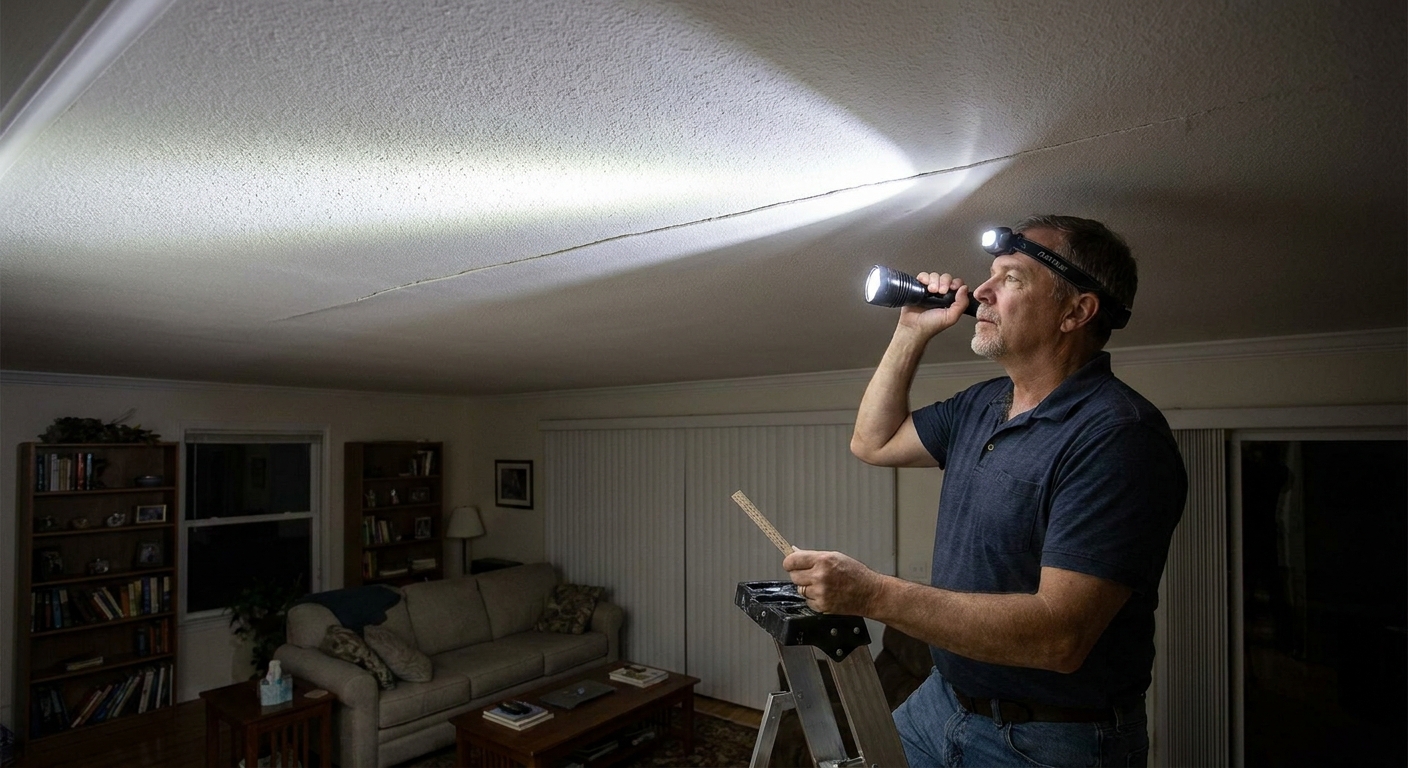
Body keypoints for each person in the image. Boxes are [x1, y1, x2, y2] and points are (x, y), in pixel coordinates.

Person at [784, 215, 1186, 767]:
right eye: (990, 274)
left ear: (1077, 311)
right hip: (941, 701)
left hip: (1049, 739)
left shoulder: (1118, 436)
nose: (982, 291)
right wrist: (910, 330)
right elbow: (872, 442)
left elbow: (1059, 639)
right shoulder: (983, 403)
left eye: (1013, 278)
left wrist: (872, 594)